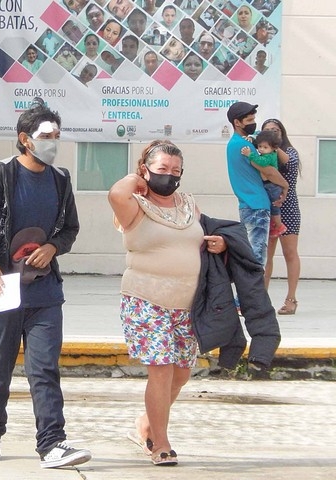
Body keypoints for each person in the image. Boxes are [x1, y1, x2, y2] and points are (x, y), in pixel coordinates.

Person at [0, 103, 91, 469]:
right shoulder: (1, 177)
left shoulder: (60, 180)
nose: (53, 142)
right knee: (0, 363)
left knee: (44, 368)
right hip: (5, 285)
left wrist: (53, 247)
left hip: (44, 292)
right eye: (45, 136)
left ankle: (52, 443)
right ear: (25, 140)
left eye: (56, 136)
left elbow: (70, 228)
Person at [108, 140, 225, 466]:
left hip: (186, 302)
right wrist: (138, 181)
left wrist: (216, 244)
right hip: (146, 299)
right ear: (145, 169)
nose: (170, 176)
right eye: (162, 169)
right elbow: (116, 193)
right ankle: (161, 442)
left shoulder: (189, 204)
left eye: (176, 171)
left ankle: (145, 424)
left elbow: (199, 240)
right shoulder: (134, 205)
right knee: (161, 370)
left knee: (182, 373)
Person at [225, 102, 287, 266]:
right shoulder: (244, 146)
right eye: (249, 120)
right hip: (257, 206)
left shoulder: (235, 143)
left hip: (247, 204)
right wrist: (285, 186)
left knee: (251, 255)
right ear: (237, 122)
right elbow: (268, 171)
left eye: (254, 119)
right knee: (257, 259)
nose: (253, 123)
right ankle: (250, 292)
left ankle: (248, 292)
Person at [262, 119, 302, 315]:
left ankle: (291, 299)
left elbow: (288, 163)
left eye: (275, 130)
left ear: (282, 133)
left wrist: (273, 146)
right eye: (267, 130)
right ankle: (261, 298)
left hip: (289, 208)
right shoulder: (260, 153)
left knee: (290, 253)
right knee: (265, 256)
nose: (271, 132)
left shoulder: (289, 152)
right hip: (266, 207)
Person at [240, 131, 289, 237]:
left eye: (265, 147)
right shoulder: (268, 152)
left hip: (272, 186)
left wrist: (249, 154)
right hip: (269, 185)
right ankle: (275, 225)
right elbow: (258, 133)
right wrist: (251, 138)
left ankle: (278, 226)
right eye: (260, 146)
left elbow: (261, 162)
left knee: (274, 207)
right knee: (273, 206)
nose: (261, 149)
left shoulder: (269, 157)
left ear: (274, 148)